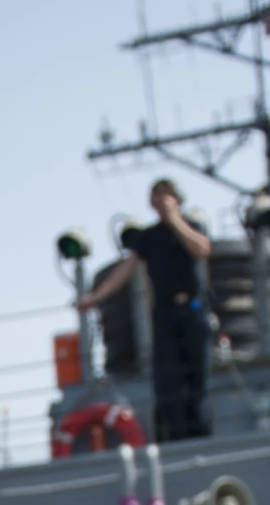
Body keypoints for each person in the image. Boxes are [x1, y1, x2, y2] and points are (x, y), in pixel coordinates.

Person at [77, 179, 213, 442]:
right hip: (164, 313)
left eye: (166, 195)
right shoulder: (148, 238)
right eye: (156, 196)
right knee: (167, 377)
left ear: (177, 199)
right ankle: (174, 435)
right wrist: (95, 297)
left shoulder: (192, 227)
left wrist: (175, 220)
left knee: (196, 376)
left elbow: (201, 248)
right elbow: (125, 271)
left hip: (192, 310)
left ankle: (199, 432)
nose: (161, 200)